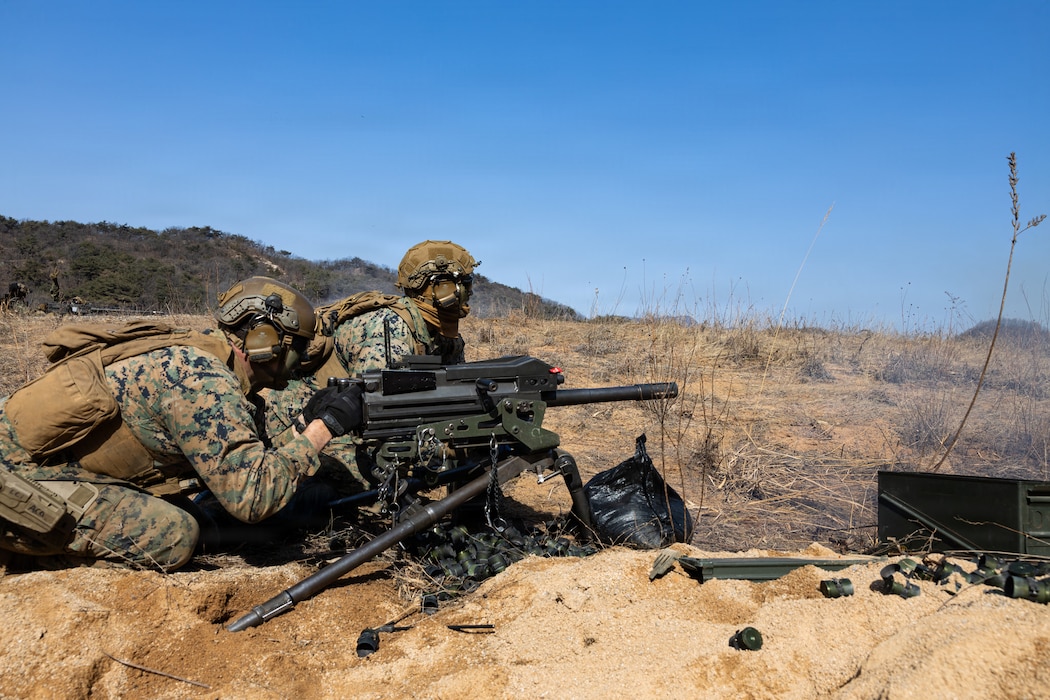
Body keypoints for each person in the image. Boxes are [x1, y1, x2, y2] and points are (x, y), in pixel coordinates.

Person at [0, 276, 364, 572]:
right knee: (174, 535)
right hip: (15, 477)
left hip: (48, 467)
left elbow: (243, 459)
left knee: (201, 522)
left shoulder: (211, 364)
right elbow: (253, 497)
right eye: (297, 346)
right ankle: (21, 555)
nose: (304, 356)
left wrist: (305, 421)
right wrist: (325, 427)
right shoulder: (200, 380)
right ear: (263, 340)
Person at [260, 241, 478, 469]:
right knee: (377, 484)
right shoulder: (390, 328)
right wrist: (438, 448)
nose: (469, 291)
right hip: (312, 424)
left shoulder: (443, 334)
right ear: (438, 289)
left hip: (348, 421)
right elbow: (372, 417)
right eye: (464, 284)